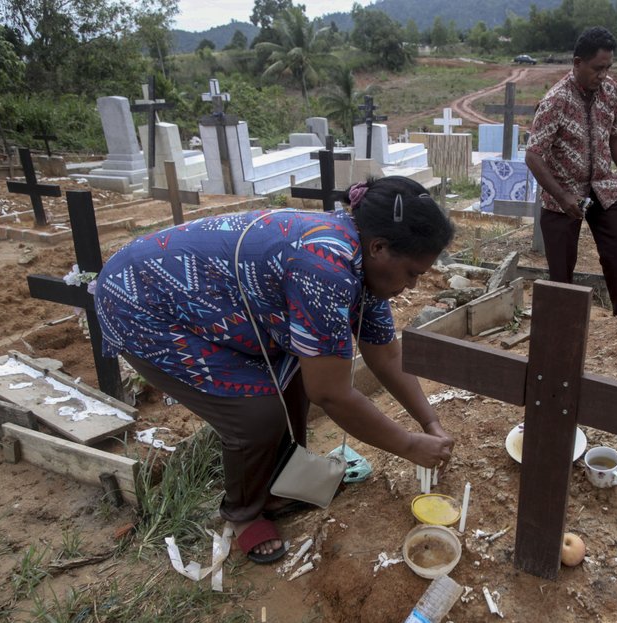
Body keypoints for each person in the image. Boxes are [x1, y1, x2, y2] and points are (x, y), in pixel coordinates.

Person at [94, 176, 456, 563]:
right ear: (380, 248)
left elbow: (385, 355)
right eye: (413, 273)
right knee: (256, 412)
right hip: (141, 303)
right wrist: (408, 445)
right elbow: (331, 394)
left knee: (297, 376)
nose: (414, 285)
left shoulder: (363, 262)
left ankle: (281, 482)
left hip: (204, 299)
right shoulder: (325, 267)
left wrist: (430, 424)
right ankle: (243, 514)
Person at [525, 26, 617, 315]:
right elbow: (533, 155)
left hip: (603, 186)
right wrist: (562, 196)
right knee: (562, 264)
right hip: (563, 193)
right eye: (597, 68)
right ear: (578, 63)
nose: (603, 74)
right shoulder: (556, 100)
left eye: (608, 67)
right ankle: (564, 321)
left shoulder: (611, 91)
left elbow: (616, 136)